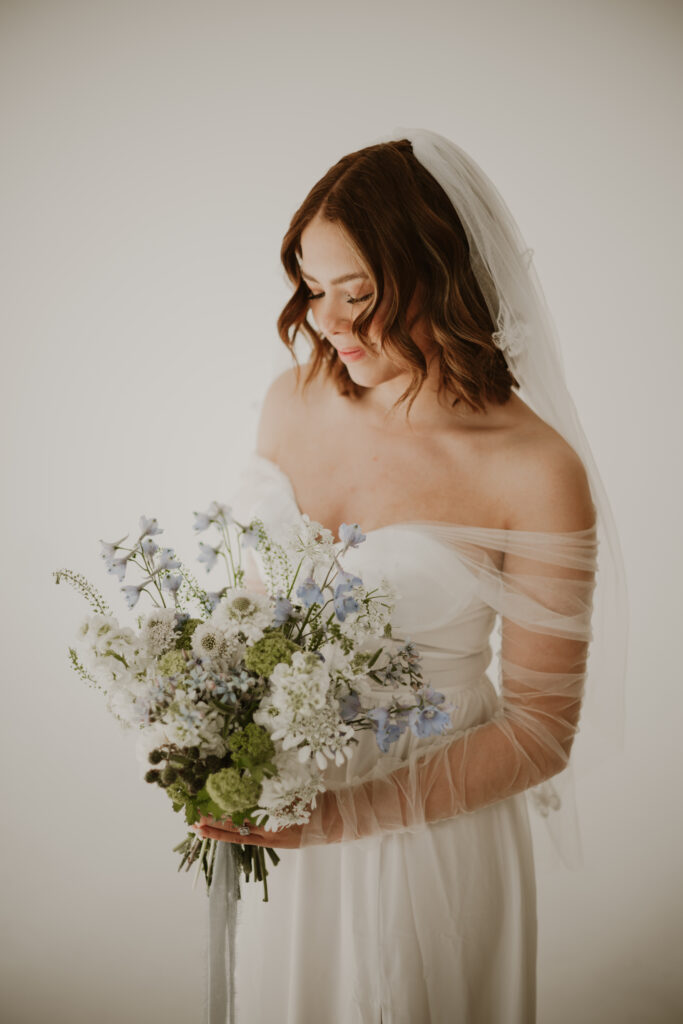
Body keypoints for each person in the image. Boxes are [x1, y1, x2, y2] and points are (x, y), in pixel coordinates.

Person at [195, 131, 627, 1023]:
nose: (328, 322)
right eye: (314, 290)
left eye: (360, 294)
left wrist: (338, 818)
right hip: (279, 838)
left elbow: (541, 730)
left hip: (427, 845)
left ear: (445, 275)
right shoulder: (292, 398)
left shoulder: (531, 471)